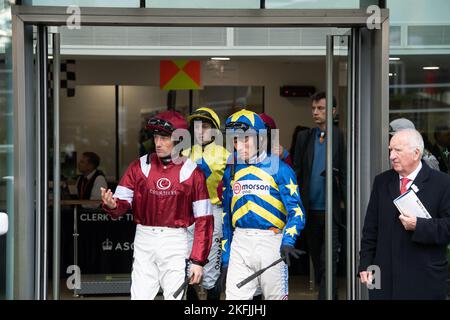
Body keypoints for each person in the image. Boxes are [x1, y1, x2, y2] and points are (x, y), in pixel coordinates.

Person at [101, 110, 214, 300]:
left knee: (175, 296)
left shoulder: (193, 172)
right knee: (140, 296)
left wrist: (198, 260)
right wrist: (112, 205)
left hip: (176, 240)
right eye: (155, 137)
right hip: (144, 237)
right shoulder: (139, 166)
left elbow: (204, 220)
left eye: (164, 137)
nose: (158, 143)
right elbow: (121, 203)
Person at [219, 109, 306, 300]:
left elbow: (297, 211)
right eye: (235, 140)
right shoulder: (231, 171)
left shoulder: (281, 169)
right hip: (240, 244)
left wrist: (288, 241)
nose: (239, 146)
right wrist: (225, 258)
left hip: (272, 242)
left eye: (245, 139)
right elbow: (226, 217)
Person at [359, 128, 450, 299]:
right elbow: (370, 229)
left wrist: (419, 225)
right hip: (383, 278)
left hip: (424, 280)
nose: (392, 155)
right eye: (390, 150)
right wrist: (365, 265)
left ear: (416, 153)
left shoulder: (442, 183)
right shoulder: (382, 181)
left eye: (397, 150)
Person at [292, 91, 345, 300]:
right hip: (310, 210)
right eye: (313, 108)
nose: (315, 112)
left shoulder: (340, 136)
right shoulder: (305, 137)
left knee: (328, 262)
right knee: (318, 262)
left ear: (332, 111)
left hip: (331, 210)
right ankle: (331, 295)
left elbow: (346, 171)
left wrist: (347, 203)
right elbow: (296, 172)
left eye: (321, 108)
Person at [184, 107, 230, 300]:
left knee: (211, 268)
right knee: (186, 266)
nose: (200, 130)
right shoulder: (183, 153)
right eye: (197, 126)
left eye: (205, 126)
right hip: (189, 215)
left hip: (214, 212)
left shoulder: (227, 155)